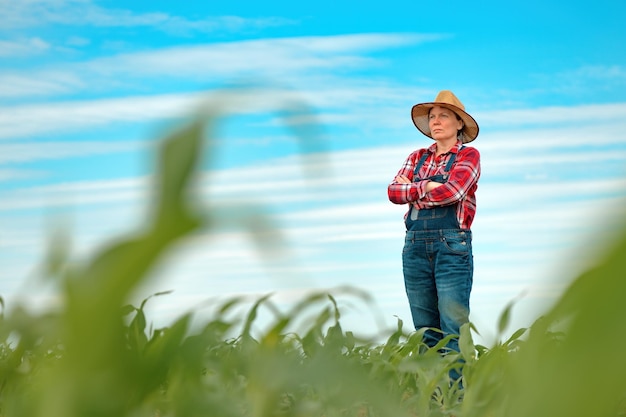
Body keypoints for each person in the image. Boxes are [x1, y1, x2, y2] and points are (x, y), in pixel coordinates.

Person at [387, 90, 480, 354]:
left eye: (443, 116)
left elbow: (454, 192)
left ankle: (457, 396)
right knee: (425, 331)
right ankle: (432, 395)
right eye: (432, 117)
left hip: (452, 245)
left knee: (452, 328)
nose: (435, 121)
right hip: (414, 246)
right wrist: (428, 185)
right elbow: (393, 193)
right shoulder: (417, 156)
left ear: (459, 123)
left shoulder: (468, 156)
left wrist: (414, 189)